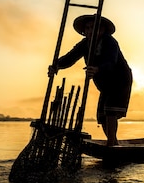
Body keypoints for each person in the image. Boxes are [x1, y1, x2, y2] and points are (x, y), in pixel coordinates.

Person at [48, 14, 132, 146]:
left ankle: (111, 144)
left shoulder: (110, 42)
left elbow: (111, 62)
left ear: (102, 30)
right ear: (84, 31)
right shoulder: (84, 44)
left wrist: (98, 69)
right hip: (105, 84)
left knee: (110, 111)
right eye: (87, 28)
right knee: (102, 115)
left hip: (119, 80)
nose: (90, 31)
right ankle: (114, 142)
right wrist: (56, 65)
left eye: (94, 27)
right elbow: (70, 57)